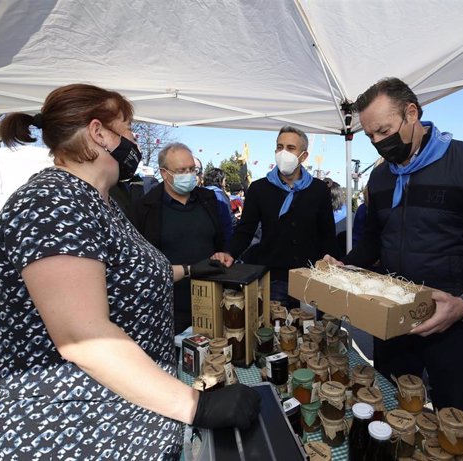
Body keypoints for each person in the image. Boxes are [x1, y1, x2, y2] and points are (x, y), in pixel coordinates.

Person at [0, 84, 260, 460]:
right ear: (99, 133)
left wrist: (188, 269)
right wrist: (197, 406)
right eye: (129, 130)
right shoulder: (53, 201)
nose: (134, 141)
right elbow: (84, 336)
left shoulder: (103, 205)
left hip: (125, 427)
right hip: (71, 434)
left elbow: (124, 277)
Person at [324, 77, 463, 418]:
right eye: (370, 136)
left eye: (384, 131)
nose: (377, 143)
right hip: (393, 321)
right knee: (392, 410)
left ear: (412, 113)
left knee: (453, 420)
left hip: (454, 326)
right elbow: (373, 240)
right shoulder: (381, 177)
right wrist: (345, 266)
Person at [213, 125, 339, 308]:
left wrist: (333, 264)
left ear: (303, 156)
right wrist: (229, 252)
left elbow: (328, 233)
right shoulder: (259, 189)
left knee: (310, 330)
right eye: (280, 147)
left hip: (311, 277)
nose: (283, 153)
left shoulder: (318, 190)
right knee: (274, 330)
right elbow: (245, 230)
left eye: (290, 148)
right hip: (273, 278)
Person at [132, 143, 233, 334]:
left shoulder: (208, 199)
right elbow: (141, 262)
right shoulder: (145, 208)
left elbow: (223, 239)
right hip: (168, 306)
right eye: (181, 170)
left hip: (210, 299)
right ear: (164, 173)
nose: (188, 175)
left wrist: (225, 253)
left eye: (191, 169)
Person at [204, 167, 236, 232]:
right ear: (220, 180)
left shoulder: (200, 193)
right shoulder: (220, 196)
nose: (225, 183)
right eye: (225, 180)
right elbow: (229, 218)